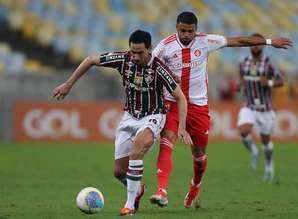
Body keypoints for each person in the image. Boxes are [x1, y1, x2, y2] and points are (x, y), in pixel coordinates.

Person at [150, 11, 292, 208]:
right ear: (176, 28)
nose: (186, 35)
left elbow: (238, 41)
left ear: (195, 30)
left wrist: (269, 41)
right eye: (182, 30)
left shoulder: (205, 41)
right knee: (167, 142)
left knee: (199, 158)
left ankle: (195, 186)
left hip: (198, 107)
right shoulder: (164, 46)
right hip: (172, 103)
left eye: (190, 31)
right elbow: (149, 66)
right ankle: (161, 190)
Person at [52, 30, 193, 216]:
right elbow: (91, 59)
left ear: (149, 50)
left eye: (139, 53)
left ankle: (129, 205)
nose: (134, 56)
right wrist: (69, 84)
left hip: (153, 116)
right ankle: (138, 189)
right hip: (129, 117)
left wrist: (181, 127)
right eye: (132, 51)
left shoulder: (159, 69)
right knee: (119, 172)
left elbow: (181, 98)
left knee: (136, 151)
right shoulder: (123, 59)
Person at [237, 33, 285, 182]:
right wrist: (240, 87)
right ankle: (254, 151)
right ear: (250, 45)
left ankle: (269, 166)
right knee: (243, 131)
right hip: (249, 106)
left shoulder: (269, 64)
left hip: (265, 109)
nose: (255, 46)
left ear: (263, 46)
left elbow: (281, 81)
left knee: (266, 140)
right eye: (253, 44)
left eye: (258, 44)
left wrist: (269, 83)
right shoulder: (243, 63)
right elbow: (242, 81)